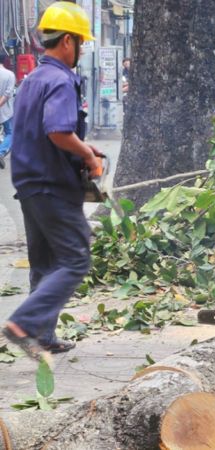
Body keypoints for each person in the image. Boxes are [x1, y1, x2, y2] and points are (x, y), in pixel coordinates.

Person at [2, 1, 102, 359]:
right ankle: (24, 322)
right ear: (67, 42)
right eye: (82, 43)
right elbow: (58, 131)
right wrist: (88, 155)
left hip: (28, 186)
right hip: (53, 187)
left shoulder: (32, 80)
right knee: (75, 260)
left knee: (43, 263)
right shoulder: (60, 79)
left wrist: (83, 147)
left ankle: (41, 335)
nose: (81, 50)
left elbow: (44, 132)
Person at [0, 54, 15, 169]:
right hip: (5, 111)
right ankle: (0, 152)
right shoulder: (10, 75)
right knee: (10, 133)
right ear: (5, 61)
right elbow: (7, 94)